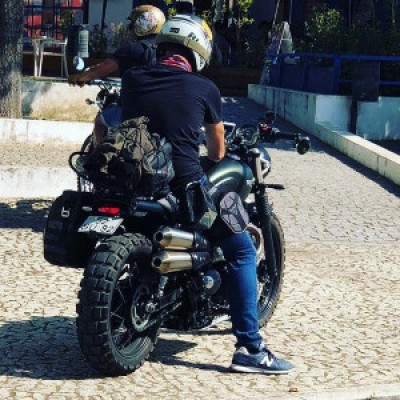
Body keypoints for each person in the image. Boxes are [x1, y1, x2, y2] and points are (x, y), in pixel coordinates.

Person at [121, 14, 293, 374]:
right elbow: (216, 152)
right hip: (183, 189)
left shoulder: (132, 79)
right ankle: (250, 348)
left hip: (134, 184)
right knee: (242, 249)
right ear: (198, 50)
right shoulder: (204, 88)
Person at [68, 5, 166, 146]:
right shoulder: (166, 51)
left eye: (133, 23)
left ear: (143, 24)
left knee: (99, 121)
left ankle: (100, 156)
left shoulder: (132, 48)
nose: (130, 28)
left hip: (131, 109)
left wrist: (80, 77)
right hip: (160, 110)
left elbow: (102, 69)